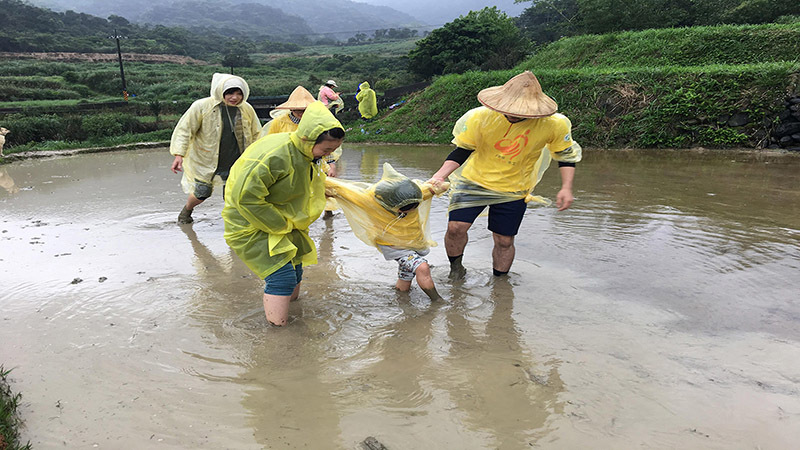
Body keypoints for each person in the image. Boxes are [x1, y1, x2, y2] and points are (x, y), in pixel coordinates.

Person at [427, 71, 582, 279]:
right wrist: (439, 176)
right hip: (474, 181)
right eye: (510, 109)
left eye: (522, 111)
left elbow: (565, 155)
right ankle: (456, 270)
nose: (514, 114)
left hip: (515, 187)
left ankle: (500, 283)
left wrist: (566, 187)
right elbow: (462, 150)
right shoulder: (480, 117)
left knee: (504, 240)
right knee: (456, 228)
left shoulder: (554, 124)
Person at [222, 101, 345, 327]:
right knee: (281, 275)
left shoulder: (308, 155)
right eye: (327, 150)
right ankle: (278, 335)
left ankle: (291, 311)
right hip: (250, 223)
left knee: (296, 264)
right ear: (308, 138)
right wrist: (281, 225)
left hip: (283, 219)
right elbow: (246, 199)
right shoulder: (275, 155)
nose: (329, 155)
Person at [325, 163, 448, 301]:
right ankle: (438, 302)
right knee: (422, 267)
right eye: (405, 209)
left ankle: (401, 298)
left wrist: (438, 184)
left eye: (415, 207)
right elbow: (341, 189)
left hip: (413, 244)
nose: (411, 210)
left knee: (406, 276)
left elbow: (436, 187)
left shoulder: (415, 194)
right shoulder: (370, 200)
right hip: (393, 247)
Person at [169, 73, 261, 224]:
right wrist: (179, 154)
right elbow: (186, 130)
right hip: (206, 158)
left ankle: (233, 222)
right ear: (221, 91)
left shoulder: (246, 109)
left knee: (233, 193)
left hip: (236, 157)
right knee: (201, 193)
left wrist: (258, 155)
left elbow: (256, 132)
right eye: (230, 93)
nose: (235, 97)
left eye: (239, 93)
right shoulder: (202, 106)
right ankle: (186, 212)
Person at [261, 85, 343, 217]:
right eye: (297, 110)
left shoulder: (317, 123)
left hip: (314, 164)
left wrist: (331, 165)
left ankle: (328, 212)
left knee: (323, 189)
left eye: (304, 110)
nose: (300, 113)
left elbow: (326, 146)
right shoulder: (279, 123)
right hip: (288, 166)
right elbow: (270, 145)